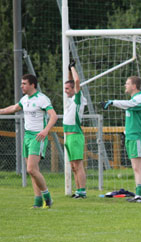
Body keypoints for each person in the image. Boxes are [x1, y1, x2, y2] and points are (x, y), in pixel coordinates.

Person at [0, 74, 58, 208]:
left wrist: (45, 130)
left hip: (38, 136)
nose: (21, 86)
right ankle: (37, 202)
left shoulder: (42, 99)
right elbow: (14, 108)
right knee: (32, 170)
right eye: (22, 83)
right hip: (27, 136)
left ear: (32, 85)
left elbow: (53, 116)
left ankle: (47, 197)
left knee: (31, 169)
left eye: (24, 83)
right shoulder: (25, 99)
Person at [101, 76, 141, 203]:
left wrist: (112, 102)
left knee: (138, 168)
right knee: (135, 167)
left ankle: (140, 196)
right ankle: (139, 194)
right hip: (131, 137)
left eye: (127, 84)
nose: (125, 86)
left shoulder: (140, 99)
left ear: (134, 86)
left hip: (137, 137)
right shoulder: (133, 99)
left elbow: (129, 105)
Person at [64, 61, 87, 198]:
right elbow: (71, 82)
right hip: (69, 136)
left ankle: (82, 191)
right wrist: (68, 72)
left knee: (78, 165)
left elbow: (76, 81)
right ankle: (78, 191)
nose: (65, 91)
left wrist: (72, 67)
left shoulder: (78, 98)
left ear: (74, 89)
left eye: (67, 89)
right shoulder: (70, 100)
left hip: (75, 136)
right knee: (73, 166)